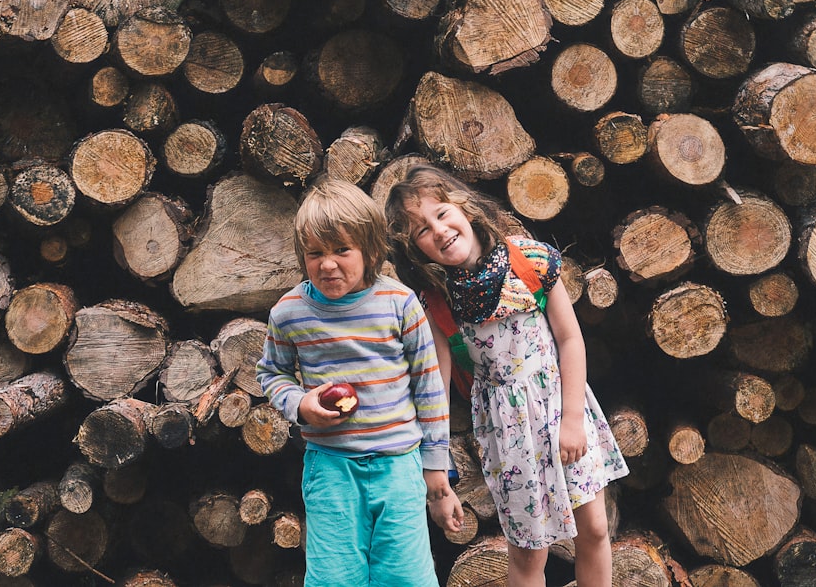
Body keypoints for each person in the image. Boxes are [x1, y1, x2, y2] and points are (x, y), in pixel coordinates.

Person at [385, 165, 629, 587]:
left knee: (593, 529)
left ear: (465, 206)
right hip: (508, 433)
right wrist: (436, 474)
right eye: (422, 231)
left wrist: (572, 418)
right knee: (530, 553)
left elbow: (570, 339)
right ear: (415, 250)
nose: (438, 231)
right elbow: (437, 392)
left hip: (561, 407)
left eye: (442, 213)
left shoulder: (529, 261)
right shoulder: (439, 303)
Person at [256, 178, 463, 587]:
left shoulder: (400, 304)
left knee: (406, 577)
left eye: (341, 251)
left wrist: (435, 468)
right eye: (315, 253)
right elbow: (271, 373)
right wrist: (299, 404)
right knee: (335, 578)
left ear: (369, 250)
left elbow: (429, 388)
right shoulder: (290, 312)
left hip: (399, 465)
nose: (327, 264)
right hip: (331, 468)